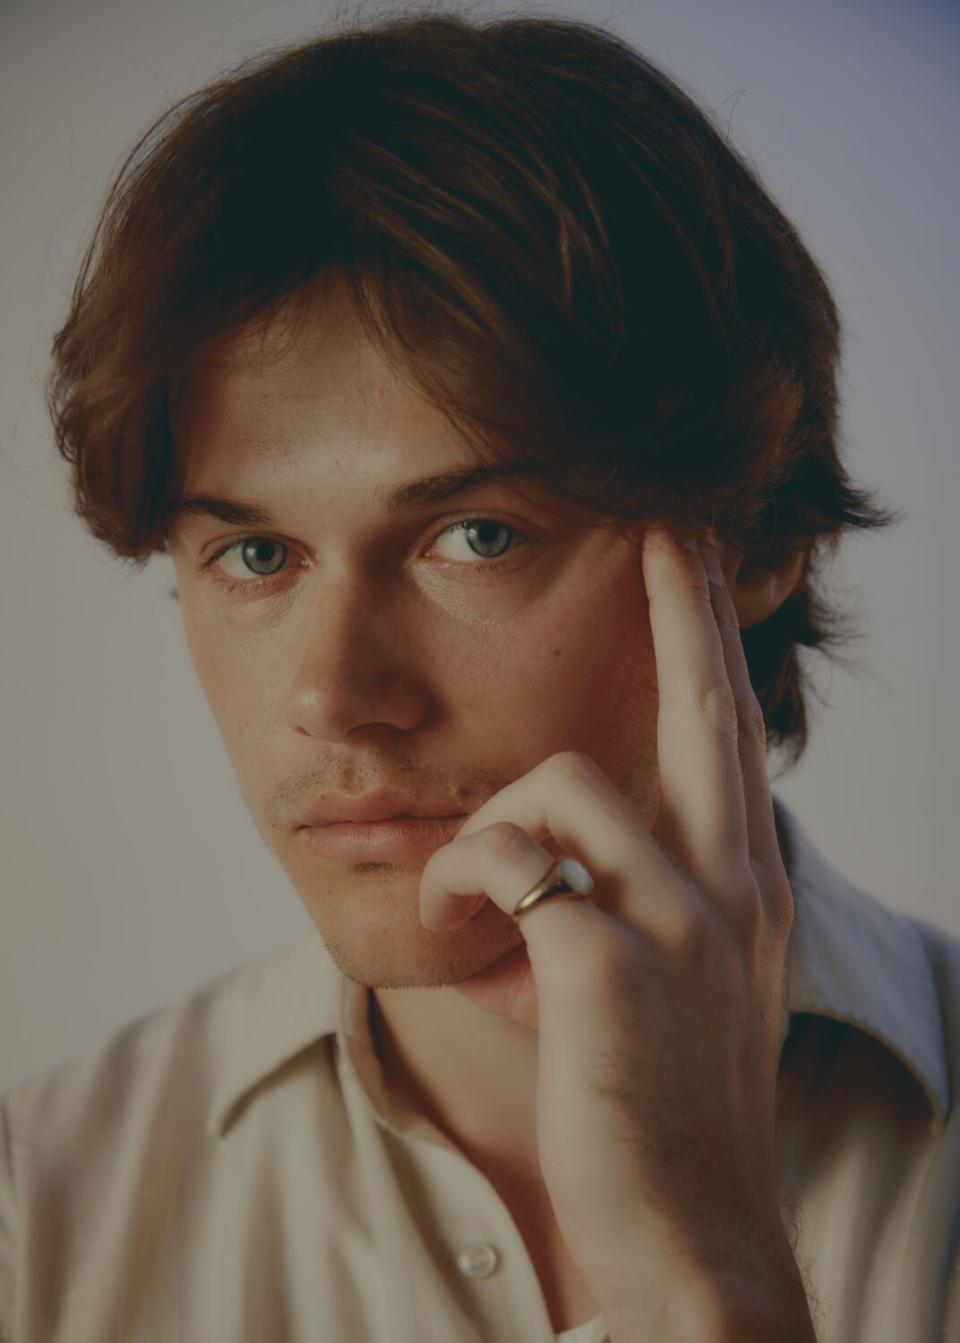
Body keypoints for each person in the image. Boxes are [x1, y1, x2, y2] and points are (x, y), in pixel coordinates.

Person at [2, 9, 957, 1342]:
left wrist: (709, 1276)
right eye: (258, 553)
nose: (331, 695)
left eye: (478, 536)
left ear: (761, 541)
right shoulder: (40, 1214)